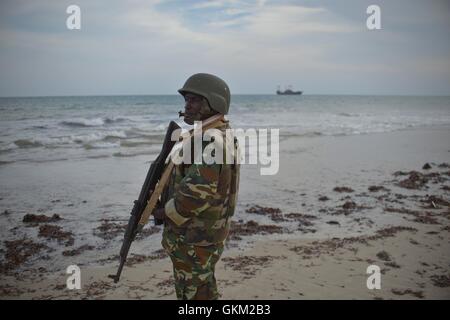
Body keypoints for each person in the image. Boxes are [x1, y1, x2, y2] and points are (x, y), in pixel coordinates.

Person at [152, 73, 240, 300]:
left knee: (194, 294)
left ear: (213, 103)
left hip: (194, 237)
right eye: (186, 100)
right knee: (201, 290)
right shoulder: (213, 134)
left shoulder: (212, 139)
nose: (187, 106)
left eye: (193, 100)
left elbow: (196, 193)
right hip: (201, 235)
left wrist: (164, 212)